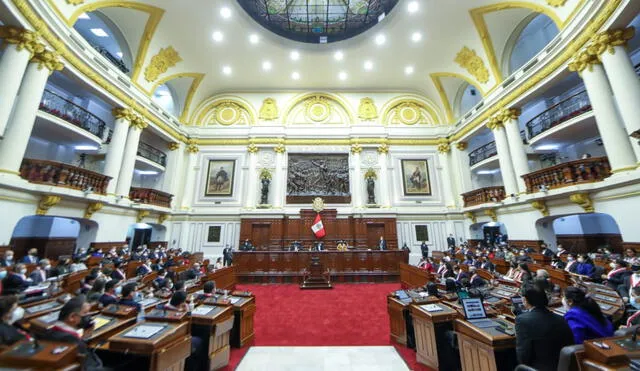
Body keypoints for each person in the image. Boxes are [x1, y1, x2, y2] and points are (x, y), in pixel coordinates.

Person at [515, 286, 575, 371]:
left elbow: (523, 354)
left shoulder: (522, 320)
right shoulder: (561, 318)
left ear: (525, 300)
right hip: (562, 366)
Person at [40, 295, 105, 370]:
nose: (89, 317)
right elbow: (91, 367)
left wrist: (85, 337)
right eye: (85, 313)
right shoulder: (71, 340)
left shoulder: (49, 332)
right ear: (72, 317)